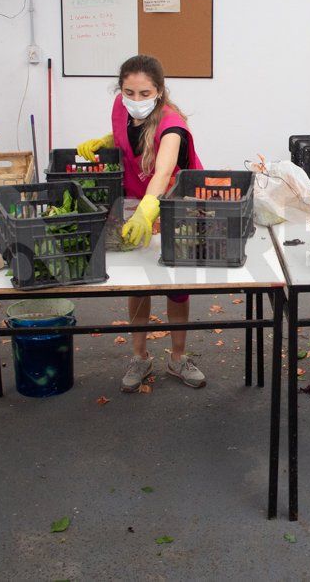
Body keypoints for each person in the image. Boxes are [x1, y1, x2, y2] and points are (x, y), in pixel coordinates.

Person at [76, 55, 206, 391]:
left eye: (144, 93)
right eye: (129, 92)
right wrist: (106, 140)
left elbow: (163, 171)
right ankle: (140, 356)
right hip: (134, 206)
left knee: (176, 288)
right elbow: (127, 134)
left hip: (174, 208)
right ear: (120, 90)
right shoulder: (121, 111)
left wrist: (149, 209)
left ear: (159, 91)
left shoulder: (172, 123)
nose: (135, 101)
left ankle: (178, 357)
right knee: (137, 283)